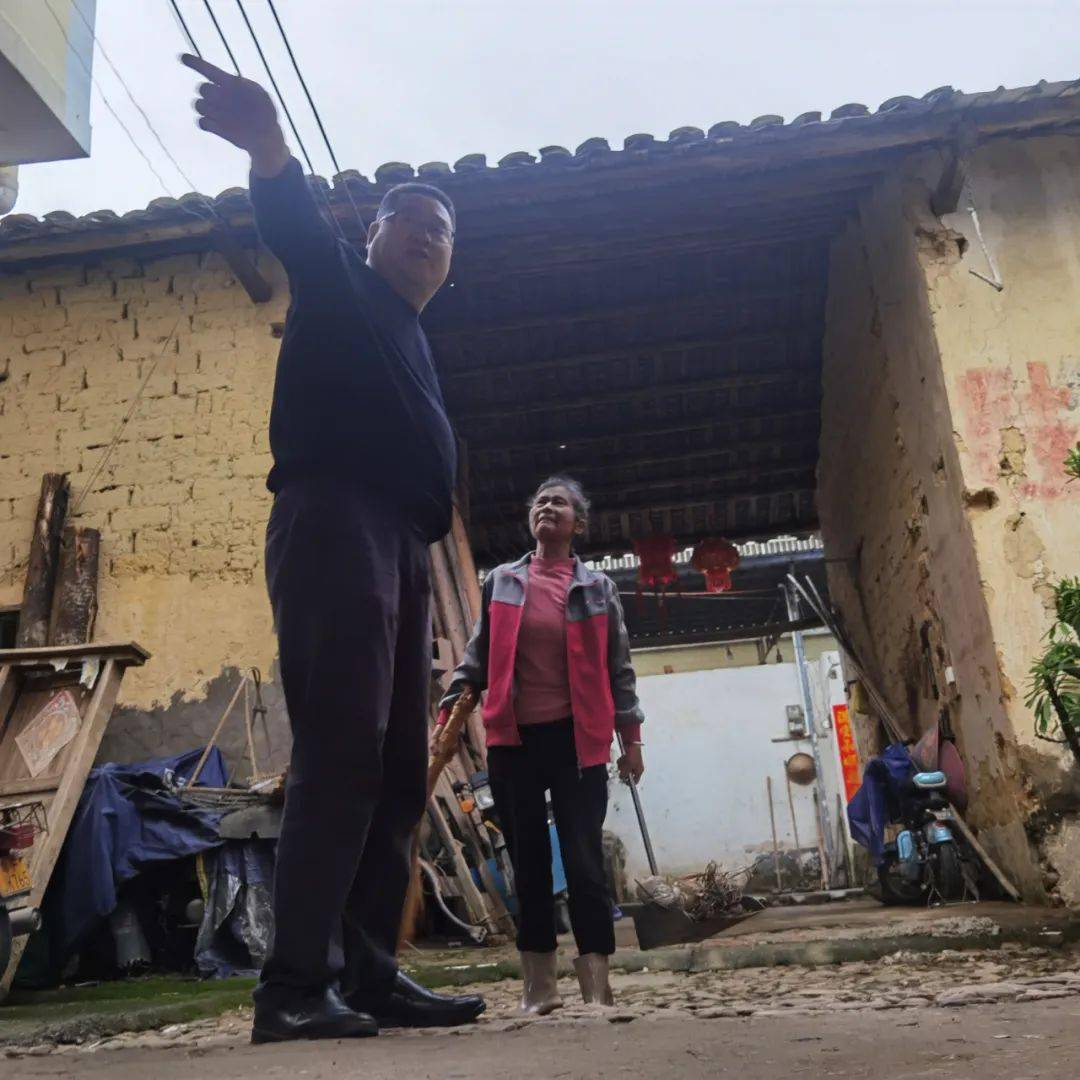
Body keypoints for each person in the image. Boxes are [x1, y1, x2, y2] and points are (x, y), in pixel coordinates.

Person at [182, 55, 485, 1044]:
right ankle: (294, 988)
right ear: (372, 236)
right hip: (334, 524)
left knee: (397, 770)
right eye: (413, 222)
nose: (430, 237)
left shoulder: (413, 339)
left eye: (444, 232)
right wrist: (269, 146)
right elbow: (295, 227)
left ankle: (370, 973)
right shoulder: (340, 282)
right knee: (343, 753)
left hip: (398, 547)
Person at [435, 477, 645, 1013]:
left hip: (579, 741)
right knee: (527, 863)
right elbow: (478, 655)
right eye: (541, 501)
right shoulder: (502, 582)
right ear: (531, 518)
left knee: (583, 860)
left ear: (579, 523)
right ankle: (539, 988)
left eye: (560, 502)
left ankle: (597, 985)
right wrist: (452, 706)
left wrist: (632, 741)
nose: (547, 507)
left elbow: (619, 670)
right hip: (514, 742)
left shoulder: (598, 589)